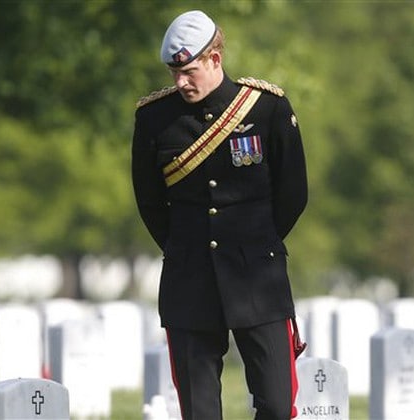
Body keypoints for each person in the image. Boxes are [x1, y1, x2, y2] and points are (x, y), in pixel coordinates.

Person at [132, 10, 308, 420]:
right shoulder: (154, 119)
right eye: (174, 72)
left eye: (189, 71)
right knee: (199, 412)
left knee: (278, 406)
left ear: (215, 58)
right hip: (190, 278)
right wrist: (186, 248)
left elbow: (293, 193)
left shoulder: (267, 109)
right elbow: (151, 203)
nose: (180, 82)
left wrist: (256, 242)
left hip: (258, 279)